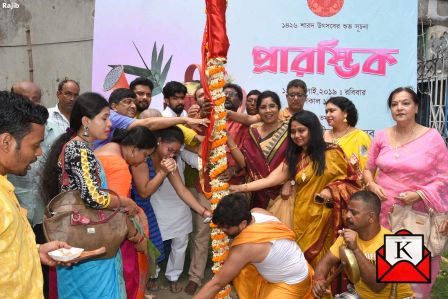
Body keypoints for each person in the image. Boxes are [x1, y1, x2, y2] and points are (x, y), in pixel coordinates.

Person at [230, 110, 360, 269]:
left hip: (326, 219)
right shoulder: (294, 156)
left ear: (312, 130)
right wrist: (240, 188)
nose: (297, 135)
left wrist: (331, 190)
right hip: (301, 217)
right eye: (292, 132)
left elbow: (352, 181)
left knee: (323, 264)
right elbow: (271, 179)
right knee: (301, 261)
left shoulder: (332, 152)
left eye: (301, 130)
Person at [41, 92, 138, 299]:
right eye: (104, 117)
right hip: (88, 237)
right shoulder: (79, 149)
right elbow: (93, 197)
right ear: (86, 121)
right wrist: (124, 202)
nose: (109, 123)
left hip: (80, 234)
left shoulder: (78, 146)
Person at [363, 87, 448, 298]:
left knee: (412, 273)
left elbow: (444, 176)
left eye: (405, 103)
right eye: (394, 104)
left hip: (416, 216)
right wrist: (372, 186)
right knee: (382, 269)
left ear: (416, 107)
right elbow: (368, 169)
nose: (399, 108)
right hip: (383, 214)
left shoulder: (432, 138)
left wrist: (419, 195)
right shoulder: (382, 136)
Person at [0, 91, 71, 299]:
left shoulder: (5, 185)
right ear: (6, 142)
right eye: (35, 145)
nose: (39, 153)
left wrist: (36, 250)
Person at [131, 126, 211, 293]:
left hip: (175, 207)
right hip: (146, 207)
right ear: (159, 141)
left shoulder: (170, 161)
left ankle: (174, 276)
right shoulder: (141, 158)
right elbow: (144, 193)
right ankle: (153, 275)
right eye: (169, 149)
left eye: (175, 152)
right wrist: (162, 172)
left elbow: (181, 190)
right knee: (152, 243)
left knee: (181, 241)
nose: (171, 154)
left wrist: (203, 211)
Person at [194, 193, 313, 299]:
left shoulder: (245, 248)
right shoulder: (257, 212)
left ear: (243, 223)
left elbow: (217, 284)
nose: (222, 230)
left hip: (292, 283)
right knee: (239, 269)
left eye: (226, 227)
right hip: (296, 265)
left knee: (234, 266)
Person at [312, 191, 415, 299]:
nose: (347, 215)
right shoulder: (347, 236)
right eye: (348, 210)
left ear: (371, 217)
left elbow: (377, 286)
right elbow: (325, 263)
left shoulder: (393, 243)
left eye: (354, 213)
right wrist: (319, 280)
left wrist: (355, 249)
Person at [95, 126, 158, 299]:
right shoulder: (119, 166)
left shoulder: (103, 150)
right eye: (145, 155)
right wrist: (137, 238)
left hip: (93, 230)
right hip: (113, 237)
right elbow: (118, 213)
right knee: (125, 280)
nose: (143, 161)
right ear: (134, 148)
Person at [94, 84, 208, 148]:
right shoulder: (112, 116)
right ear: (114, 106)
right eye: (128, 102)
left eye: (148, 94)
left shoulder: (128, 118)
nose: (133, 106)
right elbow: (149, 124)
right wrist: (186, 120)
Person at [229, 90, 289, 209]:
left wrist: (290, 182)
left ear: (279, 108)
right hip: (251, 192)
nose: (268, 111)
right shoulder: (252, 131)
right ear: (258, 110)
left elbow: (296, 162)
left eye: (272, 106)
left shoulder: (290, 131)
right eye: (263, 107)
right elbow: (244, 163)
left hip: (279, 195)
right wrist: (228, 138)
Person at [323, 96, 371, 177]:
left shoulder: (360, 137)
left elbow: (367, 167)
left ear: (345, 113)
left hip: (351, 186)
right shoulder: (323, 136)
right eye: (326, 111)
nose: (327, 115)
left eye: (332, 111)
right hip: (323, 186)